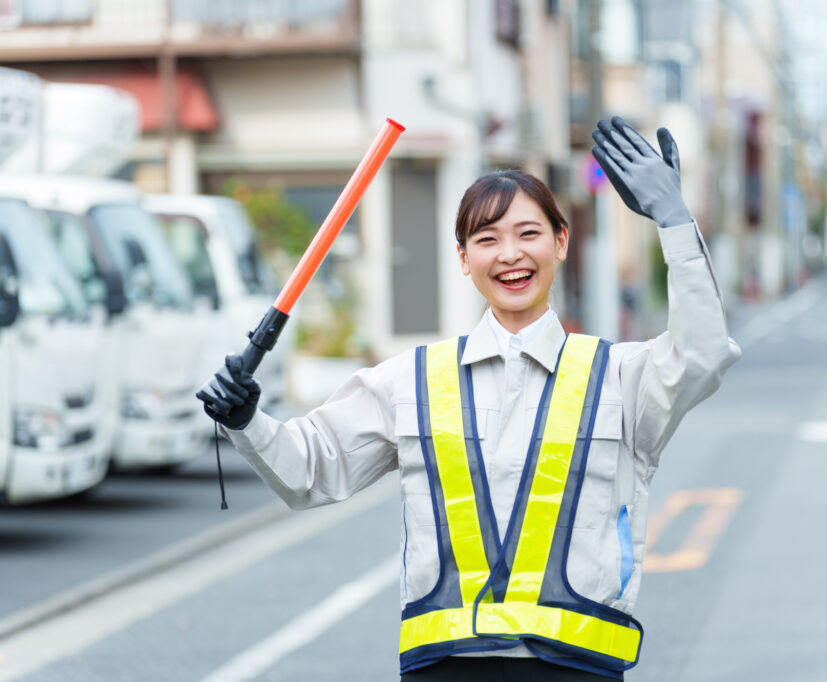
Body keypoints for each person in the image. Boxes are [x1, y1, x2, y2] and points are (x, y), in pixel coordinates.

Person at [199, 117, 741, 681]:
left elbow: (701, 353)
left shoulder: (621, 376)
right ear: (463, 258)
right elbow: (310, 470)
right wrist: (246, 418)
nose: (510, 254)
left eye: (529, 233)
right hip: (444, 670)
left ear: (560, 241)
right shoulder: (411, 379)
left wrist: (674, 221)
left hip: (579, 670)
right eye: (487, 239)